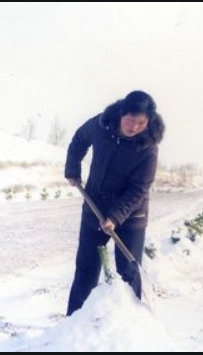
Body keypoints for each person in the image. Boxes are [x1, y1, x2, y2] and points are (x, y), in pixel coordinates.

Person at [65, 91, 165, 316]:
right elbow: (79, 139)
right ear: (121, 113)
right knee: (86, 270)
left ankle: (130, 325)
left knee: (128, 272)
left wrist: (116, 216)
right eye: (131, 120)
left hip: (131, 217)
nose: (135, 127)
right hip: (95, 206)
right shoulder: (101, 125)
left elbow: (139, 189)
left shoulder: (148, 147)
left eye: (142, 122)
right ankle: (73, 324)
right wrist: (72, 168)